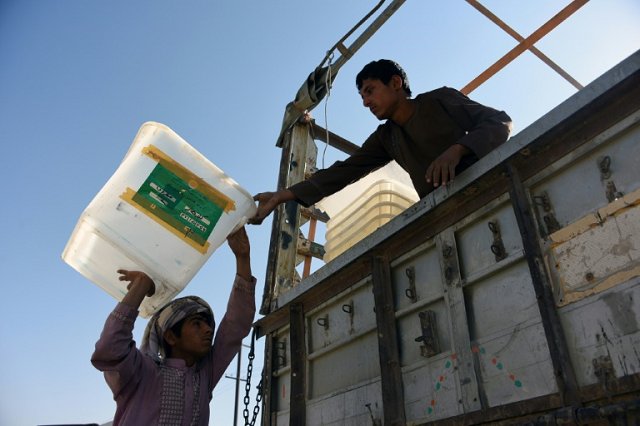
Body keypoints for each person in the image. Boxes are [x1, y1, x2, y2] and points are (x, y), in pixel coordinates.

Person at [249, 59, 513, 225]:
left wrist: (457, 150)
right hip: (447, 217)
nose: (365, 102)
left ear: (395, 83)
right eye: (362, 96)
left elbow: (499, 122)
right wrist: (283, 195)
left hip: (491, 192)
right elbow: (345, 171)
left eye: (370, 90)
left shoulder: (439, 99)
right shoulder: (386, 138)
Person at [91, 226, 256, 426]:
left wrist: (243, 258)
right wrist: (141, 286)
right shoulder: (141, 373)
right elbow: (109, 348)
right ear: (170, 337)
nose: (208, 330)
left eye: (207, 324)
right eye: (196, 324)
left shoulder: (204, 376)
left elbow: (235, 325)